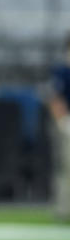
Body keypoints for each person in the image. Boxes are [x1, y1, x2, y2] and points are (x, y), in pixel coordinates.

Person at [48, 34, 70, 221]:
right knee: (66, 166)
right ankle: (64, 209)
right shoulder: (62, 70)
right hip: (67, 122)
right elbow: (55, 98)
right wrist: (63, 121)